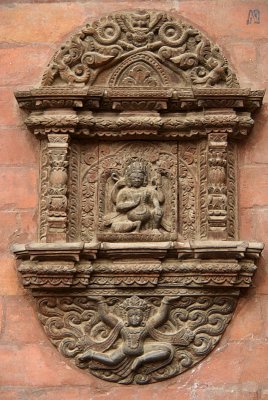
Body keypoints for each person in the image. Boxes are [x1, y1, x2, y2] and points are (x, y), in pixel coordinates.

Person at [103, 158, 164, 233]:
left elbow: (159, 200)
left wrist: (157, 206)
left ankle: (155, 229)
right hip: (127, 218)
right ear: (129, 178)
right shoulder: (124, 191)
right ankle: (135, 225)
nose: (137, 180)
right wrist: (133, 204)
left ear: (144, 179)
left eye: (139, 178)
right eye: (134, 178)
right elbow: (118, 207)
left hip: (148, 217)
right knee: (114, 227)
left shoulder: (149, 190)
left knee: (158, 212)